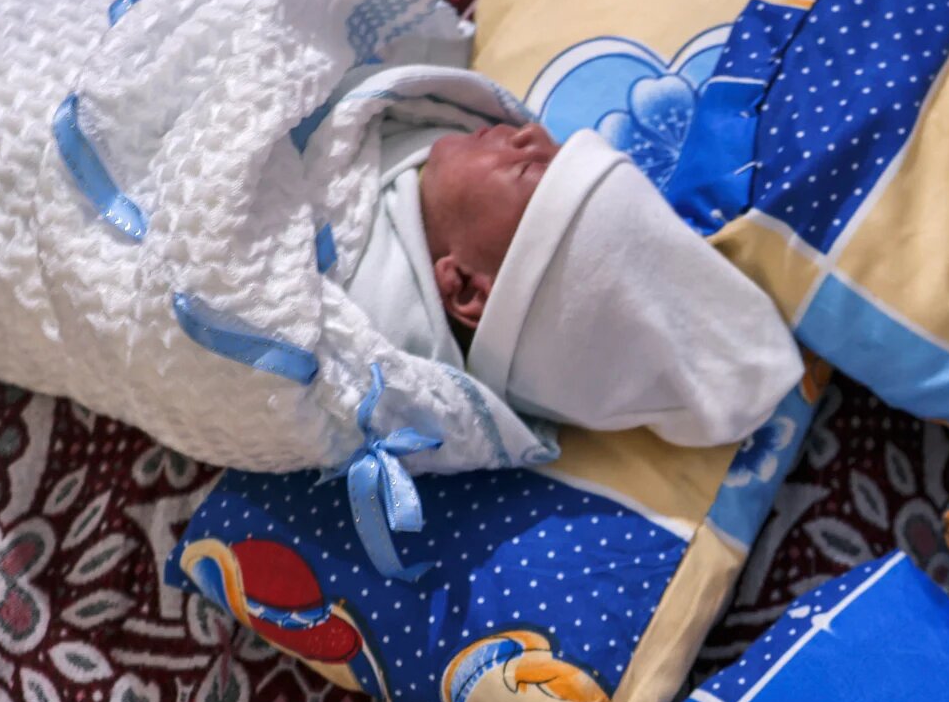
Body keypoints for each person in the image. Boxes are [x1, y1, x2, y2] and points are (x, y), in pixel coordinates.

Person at [338, 105, 803, 450]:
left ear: (464, 288)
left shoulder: (353, 320)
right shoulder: (429, 106)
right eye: (557, 147)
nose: (531, 133)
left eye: (527, 168)